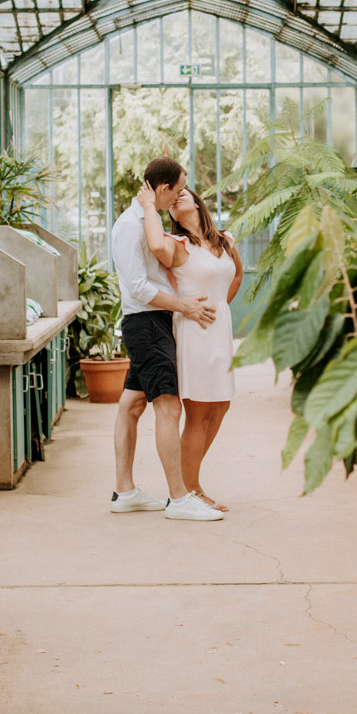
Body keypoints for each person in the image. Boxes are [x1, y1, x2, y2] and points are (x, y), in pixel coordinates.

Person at [110, 155, 223, 521]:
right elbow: (139, 288)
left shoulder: (150, 218)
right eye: (176, 190)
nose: (178, 197)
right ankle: (178, 497)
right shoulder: (130, 225)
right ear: (162, 189)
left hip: (155, 321)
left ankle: (124, 492)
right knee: (169, 406)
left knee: (132, 405)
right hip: (147, 323)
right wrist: (184, 307)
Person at [137, 181, 243, 512]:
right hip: (194, 334)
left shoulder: (224, 240)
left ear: (198, 204)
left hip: (218, 330)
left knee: (221, 405)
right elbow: (154, 245)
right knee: (199, 411)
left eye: (185, 193)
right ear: (173, 215)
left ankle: (190, 483)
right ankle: (188, 489)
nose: (179, 197)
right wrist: (148, 206)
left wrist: (219, 307)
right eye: (172, 200)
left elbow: (237, 275)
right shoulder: (175, 244)